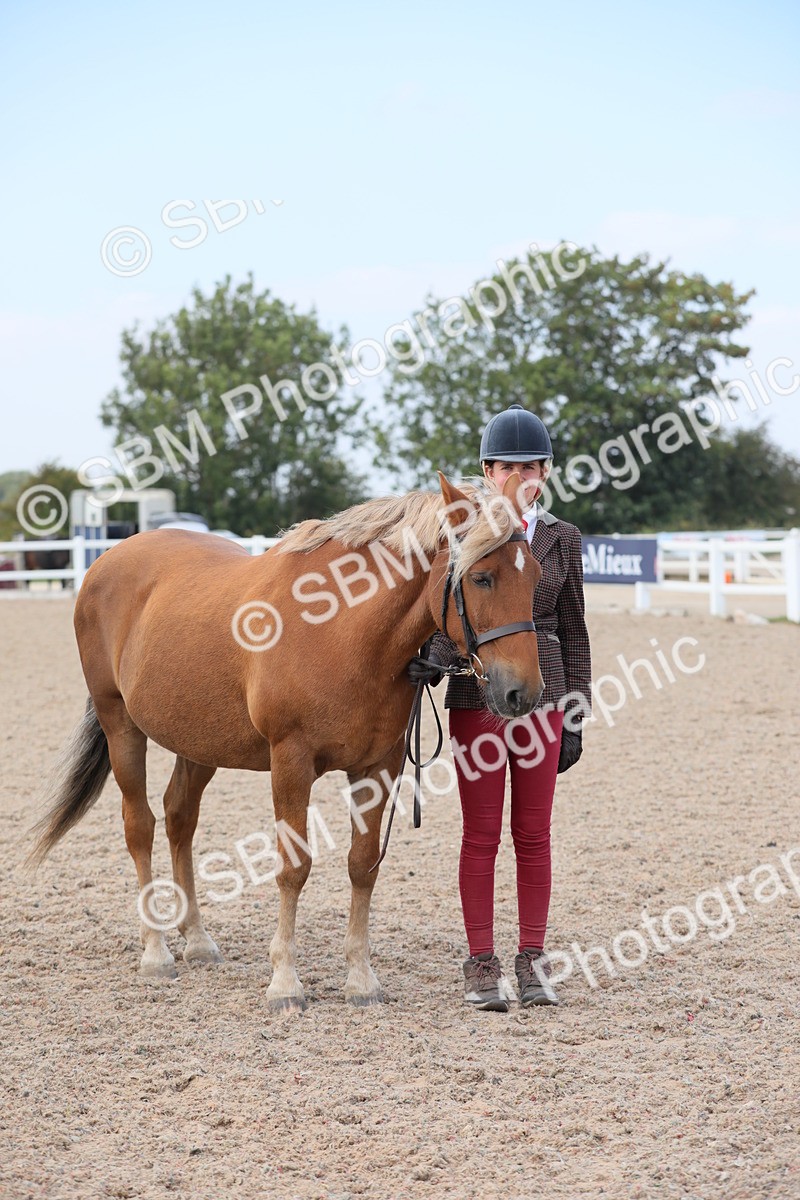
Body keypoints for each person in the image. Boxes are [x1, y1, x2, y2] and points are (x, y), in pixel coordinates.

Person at [413, 403, 592, 1013]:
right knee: (481, 835)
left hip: (543, 694)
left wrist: (577, 710)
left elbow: (575, 631)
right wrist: (433, 660)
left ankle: (534, 961)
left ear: (546, 470)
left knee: (534, 835)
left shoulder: (561, 539)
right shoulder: (465, 535)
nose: (520, 474)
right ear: (487, 472)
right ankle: (481, 963)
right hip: (475, 697)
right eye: (507, 465)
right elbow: (451, 613)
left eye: (532, 464)